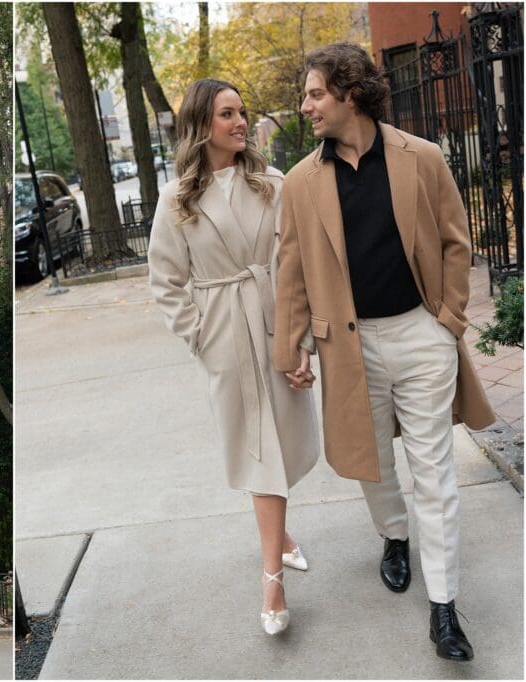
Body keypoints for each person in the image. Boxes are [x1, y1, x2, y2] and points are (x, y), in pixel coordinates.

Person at [272, 42, 495, 661]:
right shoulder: (300, 183)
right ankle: (394, 536)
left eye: (315, 93)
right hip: (348, 347)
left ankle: (444, 609)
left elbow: (456, 240)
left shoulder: (420, 157)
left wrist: (446, 320)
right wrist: (290, 345)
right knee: (371, 462)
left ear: (350, 93)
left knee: (437, 474)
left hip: (421, 336)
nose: (305, 105)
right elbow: (290, 270)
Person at [149, 78, 321, 636]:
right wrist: (200, 334)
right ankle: (274, 574)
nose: (241, 122)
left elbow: (294, 265)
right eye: (228, 114)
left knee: (274, 449)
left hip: (274, 324)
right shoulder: (177, 200)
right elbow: (166, 280)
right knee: (258, 452)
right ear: (202, 125)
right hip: (224, 333)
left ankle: (277, 549)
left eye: (242, 112)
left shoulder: (272, 183)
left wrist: (300, 340)